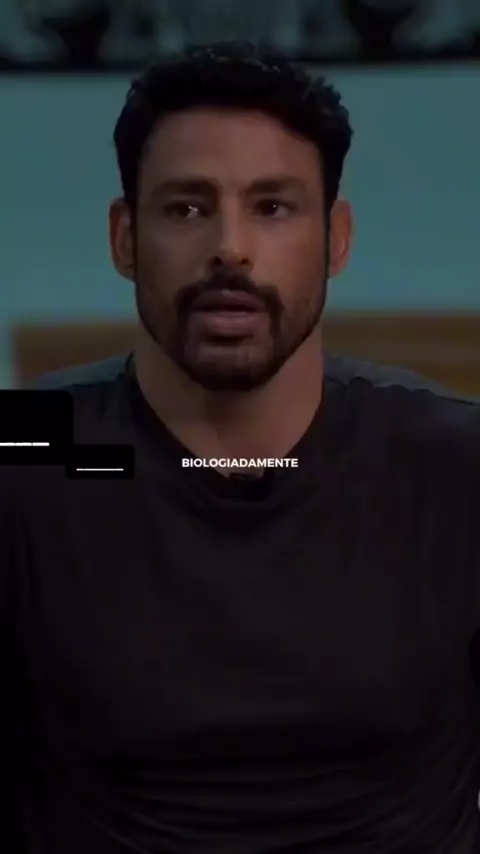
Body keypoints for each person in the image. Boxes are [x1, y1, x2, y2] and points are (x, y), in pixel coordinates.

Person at [2, 40, 480, 854]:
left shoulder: (452, 463)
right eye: (186, 208)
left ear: (335, 239)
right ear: (125, 238)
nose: (230, 249)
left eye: (272, 207)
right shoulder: (31, 452)